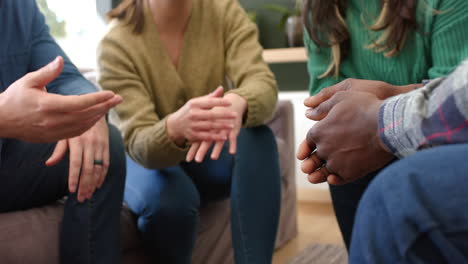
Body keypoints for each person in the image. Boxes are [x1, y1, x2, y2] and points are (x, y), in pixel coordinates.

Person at [98, 0, 281, 263]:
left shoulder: (224, 11)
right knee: (173, 202)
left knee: (258, 139)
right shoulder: (115, 43)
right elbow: (139, 142)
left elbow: (261, 82)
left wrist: (239, 102)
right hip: (141, 157)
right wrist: (174, 127)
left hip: (203, 154)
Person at [302, 0, 468, 247]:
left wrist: (381, 107)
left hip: (431, 142)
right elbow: (322, 94)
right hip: (373, 136)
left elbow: (452, 102)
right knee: (338, 152)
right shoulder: (319, 8)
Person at [0, 0, 126, 263]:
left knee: (105, 147)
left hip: (6, 164)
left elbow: (65, 76)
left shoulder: (19, 8)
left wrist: (84, 113)